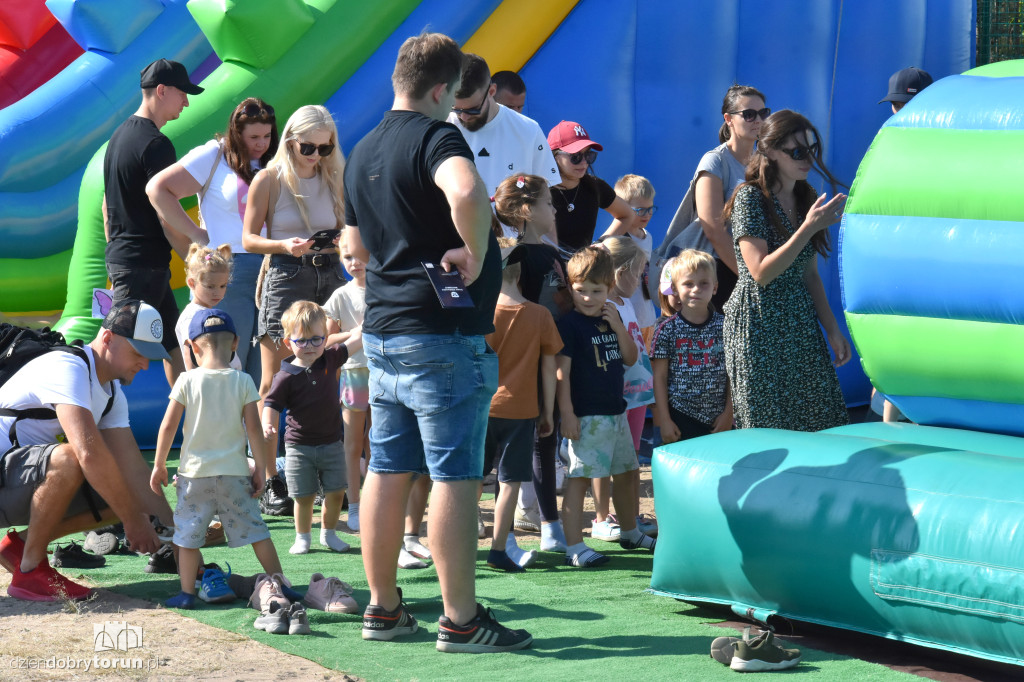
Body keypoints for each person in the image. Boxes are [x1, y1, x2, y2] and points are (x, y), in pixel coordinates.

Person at [345, 32, 530, 653]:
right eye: (453, 94)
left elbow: (355, 247)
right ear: (440, 90)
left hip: (385, 330)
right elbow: (469, 190)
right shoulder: (436, 135)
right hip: (442, 335)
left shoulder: (363, 147)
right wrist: (476, 255)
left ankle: (383, 608)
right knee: (453, 475)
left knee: (388, 468)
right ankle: (461, 619)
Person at [0, 300, 169, 601]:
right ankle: (29, 572)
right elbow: (88, 453)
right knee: (71, 457)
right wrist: (132, 520)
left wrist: (178, 537)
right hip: (6, 479)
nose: (145, 364)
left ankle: (20, 547)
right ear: (107, 338)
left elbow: (134, 470)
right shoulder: (67, 366)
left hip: (13, 482)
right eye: (138, 352)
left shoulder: (112, 392)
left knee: (122, 489)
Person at [150, 308, 289, 609]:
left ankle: (187, 592)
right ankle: (279, 582)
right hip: (234, 474)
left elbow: (168, 426)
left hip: (193, 476)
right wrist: (262, 469)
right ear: (236, 343)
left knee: (188, 537)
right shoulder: (243, 381)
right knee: (256, 531)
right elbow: (254, 429)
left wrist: (160, 463)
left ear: (193, 347)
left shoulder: (186, 381)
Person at [722, 110, 851, 431]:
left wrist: (832, 329)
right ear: (770, 152)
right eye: (796, 152)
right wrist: (807, 229)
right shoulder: (750, 198)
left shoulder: (805, 197)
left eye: (811, 150)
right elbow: (760, 272)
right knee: (768, 429)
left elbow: (809, 275)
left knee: (821, 421)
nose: (807, 159)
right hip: (758, 326)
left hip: (798, 323)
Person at [242, 105, 346, 479]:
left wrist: (343, 239)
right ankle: (269, 477)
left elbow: (347, 228)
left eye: (326, 148)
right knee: (274, 380)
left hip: (330, 272)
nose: (317, 156)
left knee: (328, 373)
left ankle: (325, 472)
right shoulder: (269, 179)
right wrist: (285, 246)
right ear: (290, 141)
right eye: (309, 148)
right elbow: (248, 239)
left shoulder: (334, 176)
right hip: (286, 275)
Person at [148, 97, 279, 383]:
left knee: (266, 372)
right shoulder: (215, 155)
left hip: (276, 268)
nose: (261, 143)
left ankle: (256, 429)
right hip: (231, 270)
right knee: (229, 364)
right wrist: (196, 234)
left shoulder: (277, 160)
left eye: (267, 135)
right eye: (253, 136)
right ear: (236, 133)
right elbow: (157, 189)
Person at [103, 59, 206, 387]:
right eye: (183, 94)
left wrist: (114, 254)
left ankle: (190, 424)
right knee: (111, 353)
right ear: (161, 91)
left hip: (131, 262)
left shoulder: (118, 138)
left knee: (176, 347)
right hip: (141, 267)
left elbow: (107, 207)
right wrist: (197, 255)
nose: (186, 102)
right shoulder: (156, 144)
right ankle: (85, 420)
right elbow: (165, 214)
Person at [556, 246, 655, 567]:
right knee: (580, 479)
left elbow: (629, 357)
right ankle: (574, 546)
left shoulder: (612, 317)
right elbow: (562, 373)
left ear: (609, 289)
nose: (587, 298)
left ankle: (629, 531)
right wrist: (567, 414)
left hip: (616, 413)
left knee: (628, 473)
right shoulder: (569, 325)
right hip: (586, 416)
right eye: (580, 290)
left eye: (596, 291)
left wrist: (617, 326)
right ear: (570, 288)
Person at [493, 174, 570, 551]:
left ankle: (549, 525)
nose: (554, 210)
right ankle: (506, 535)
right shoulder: (515, 255)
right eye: (548, 204)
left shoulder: (553, 254)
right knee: (522, 449)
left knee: (545, 442)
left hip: (549, 361)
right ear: (527, 210)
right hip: (522, 366)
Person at [483, 239, 562, 572]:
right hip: (523, 410)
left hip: (483, 409)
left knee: (472, 478)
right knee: (510, 482)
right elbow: (549, 367)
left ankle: (461, 544)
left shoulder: (484, 313)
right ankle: (499, 550)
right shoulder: (540, 314)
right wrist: (547, 412)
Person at [262, 301, 362, 556]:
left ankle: (329, 534)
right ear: (288, 343)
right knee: (303, 497)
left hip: (331, 443)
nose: (310, 347)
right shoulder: (285, 375)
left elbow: (357, 341)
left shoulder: (330, 357)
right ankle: (302, 536)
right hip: (299, 447)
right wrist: (268, 423)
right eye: (302, 341)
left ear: (326, 339)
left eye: (317, 340)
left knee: (337, 493)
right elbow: (271, 404)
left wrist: (366, 325)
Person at [662, 85, 768, 311]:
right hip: (714, 272)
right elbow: (713, 228)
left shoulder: (765, 164)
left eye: (763, 113)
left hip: (747, 270)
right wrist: (751, 278)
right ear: (728, 119)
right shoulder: (715, 161)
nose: (757, 120)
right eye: (749, 114)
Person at [447, 54, 559, 238]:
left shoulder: (528, 130)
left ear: (491, 91)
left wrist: (552, 256)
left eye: (472, 109)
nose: (463, 117)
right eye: (456, 109)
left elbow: (545, 203)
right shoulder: (441, 126)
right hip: (455, 253)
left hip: (513, 256)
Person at [591, 236, 657, 540]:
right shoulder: (606, 307)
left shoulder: (627, 304)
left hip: (638, 393)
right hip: (616, 395)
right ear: (621, 273)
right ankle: (602, 518)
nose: (642, 280)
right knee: (606, 457)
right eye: (640, 272)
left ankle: (628, 515)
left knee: (629, 457)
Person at [651, 249, 731, 443]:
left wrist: (729, 413)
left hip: (718, 418)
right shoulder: (666, 329)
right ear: (675, 289)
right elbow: (659, 377)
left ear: (715, 287)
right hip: (679, 416)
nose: (696, 289)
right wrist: (664, 420)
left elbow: (734, 373)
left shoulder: (727, 326)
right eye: (688, 284)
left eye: (704, 283)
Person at [323, 234, 368, 534]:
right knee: (352, 445)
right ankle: (355, 507)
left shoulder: (386, 289)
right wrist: (358, 333)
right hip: (354, 373)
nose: (354, 263)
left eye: (360, 256)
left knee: (377, 443)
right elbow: (326, 340)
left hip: (385, 373)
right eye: (347, 257)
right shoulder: (340, 295)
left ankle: (380, 504)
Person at [547, 120, 634, 252]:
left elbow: (627, 215)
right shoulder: (540, 191)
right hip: (548, 269)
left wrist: (599, 245)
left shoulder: (594, 186)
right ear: (554, 155)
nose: (584, 162)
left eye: (588, 155)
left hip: (583, 270)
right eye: (575, 156)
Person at [603, 174, 659, 347]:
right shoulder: (614, 239)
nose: (647, 214)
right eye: (640, 210)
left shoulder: (646, 236)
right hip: (626, 315)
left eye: (650, 209)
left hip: (646, 316)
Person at [174, 243, 241, 371]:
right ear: (192, 283)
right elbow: (191, 359)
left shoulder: (211, 312)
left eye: (223, 286)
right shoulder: (191, 317)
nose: (217, 292)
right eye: (210, 286)